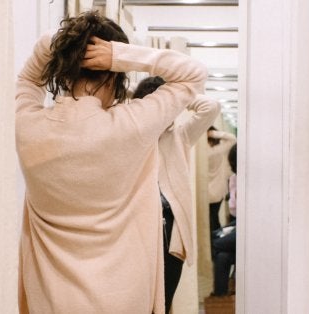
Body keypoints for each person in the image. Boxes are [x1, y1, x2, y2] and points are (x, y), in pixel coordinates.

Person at [14, 11, 207, 314]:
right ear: (114, 73)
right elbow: (193, 74)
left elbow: (28, 76)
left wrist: (71, 44)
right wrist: (118, 54)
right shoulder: (132, 124)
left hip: (50, 297)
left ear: (64, 71)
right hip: (123, 295)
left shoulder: (29, 125)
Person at [132, 76, 220, 313]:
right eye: (153, 106)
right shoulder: (131, 137)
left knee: (165, 299)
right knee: (137, 300)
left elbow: (211, 107)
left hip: (170, 229)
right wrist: (139, 97)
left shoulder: (180, 135)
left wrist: (176, 95)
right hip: (137, 230)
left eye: (164, 106)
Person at [211, 143, 237, 297]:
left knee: (214, 245)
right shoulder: (234, 179)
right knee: (221, 257)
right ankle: (220, 302)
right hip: (239, 223)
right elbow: (234, 210)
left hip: (254, 228)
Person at [206, 126, 236, 256]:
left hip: (206, 194)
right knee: (214, 219)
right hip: (218, 193)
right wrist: (214, 133)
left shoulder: (204, 153)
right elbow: (232, 138)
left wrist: (206, 133)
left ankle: (214, 247)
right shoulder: (219, 150)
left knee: (210, 222)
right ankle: (216, 245)